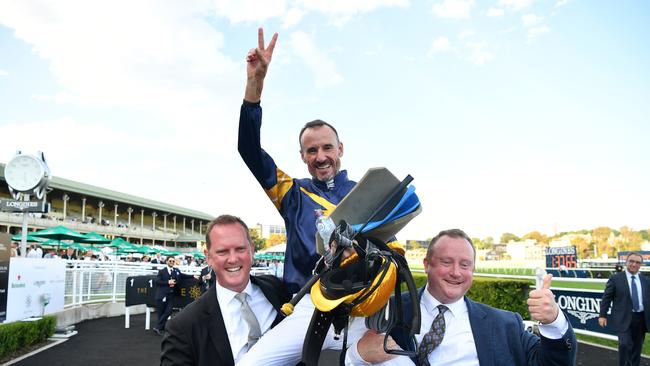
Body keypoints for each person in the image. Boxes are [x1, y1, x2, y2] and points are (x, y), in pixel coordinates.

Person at [236, 28, 368, 365]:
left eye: (327, 147)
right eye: (312, 150)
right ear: (302, 156)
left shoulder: (368, 193)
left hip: (361, 309)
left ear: (341, 149)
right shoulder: (292, 193)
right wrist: (256, 85)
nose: (321, 156)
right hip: (308, 307)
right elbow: (249, 150)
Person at [346, 229, 576, 365]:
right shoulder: (386, 309)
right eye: (447, 262)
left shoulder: (506, 324)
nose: (456, 272)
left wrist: (554, 320)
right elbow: (348, 358)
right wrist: (358, 355)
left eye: (465, 265)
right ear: (427, 265)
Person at [160, 215, 290, 365]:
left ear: (252, 250)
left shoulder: (276, 289)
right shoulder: (183, 326)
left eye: (240, 249)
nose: (233, 259)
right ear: (208, 257)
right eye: (222, 251)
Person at [599, 252, 650, 366]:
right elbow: (607, 298)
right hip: (623, 318)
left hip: (641, 318)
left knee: (637, 348)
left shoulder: (646, 280)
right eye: (631, 261)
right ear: (626, 262)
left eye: (637, 262)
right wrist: (602, 315)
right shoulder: (615, 278)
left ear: (640, 265)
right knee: (624, 345)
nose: (634, 264)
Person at [153, 255, 195, 335]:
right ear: (166, 262)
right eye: (170, 261)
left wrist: (193, 276)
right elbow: (157, 282)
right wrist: (168, 282)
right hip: (162, 295)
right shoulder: (162, 271)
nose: (172, 262)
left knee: (168, 311)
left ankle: (157, 327)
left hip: (171, 295)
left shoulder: (176, 270)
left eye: (173, 261)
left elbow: (183, 276)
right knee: (161, 313)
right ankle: (160, 328)